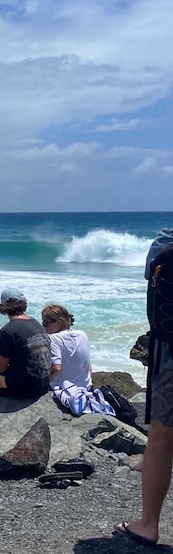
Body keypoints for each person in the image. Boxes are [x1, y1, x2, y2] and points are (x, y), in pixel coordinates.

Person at [115, 227, 173, 547]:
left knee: (162, 438)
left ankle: (149, 523)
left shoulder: (166, 240)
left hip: (169, 356)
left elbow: (151, 277)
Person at [42, 303, 92, 390]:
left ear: (58, 323)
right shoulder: (82, 334)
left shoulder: (54, 339)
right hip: (86, 388)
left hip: (64, 390)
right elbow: (88, 365)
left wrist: (41, 386)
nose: (43, 327)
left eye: (45, 323)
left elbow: (57, 368)